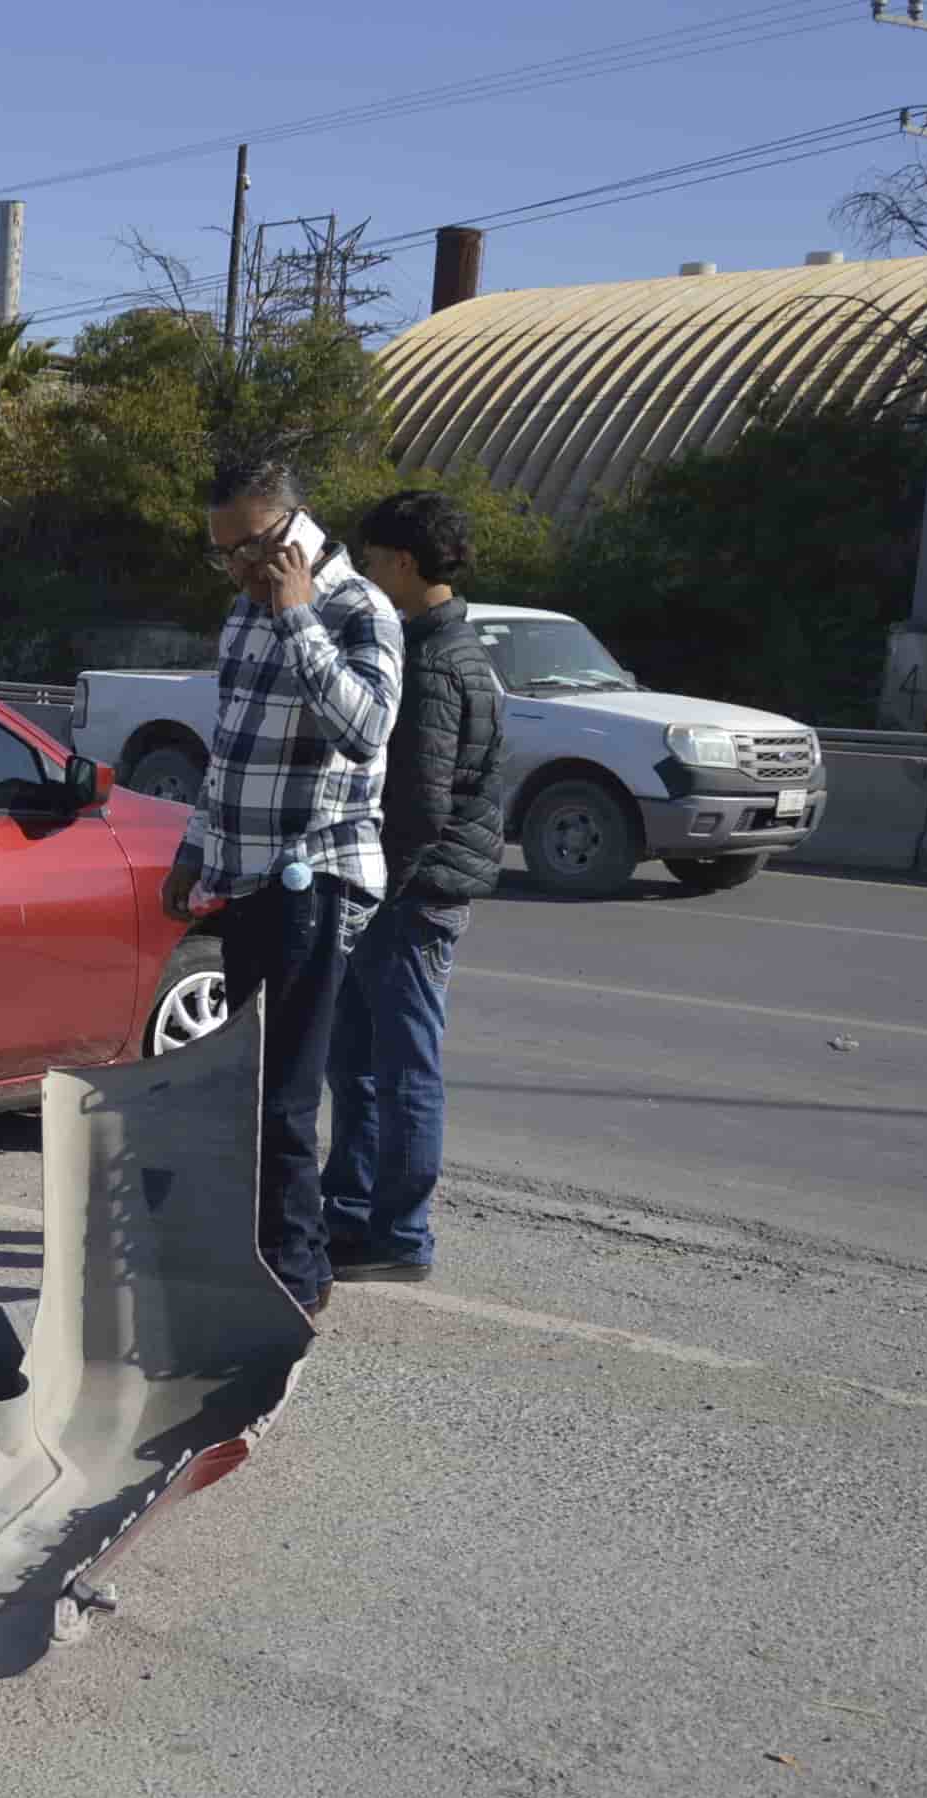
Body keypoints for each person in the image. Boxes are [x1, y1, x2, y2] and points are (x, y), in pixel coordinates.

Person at [160, 460, 403, 1318]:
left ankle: (293, 1278)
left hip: (316, 879)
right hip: (248, 877)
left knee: (286, 1091)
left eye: (250, 549)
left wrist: (299, 616)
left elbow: (367, 729)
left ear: (296, 529)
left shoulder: (356, 610)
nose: (235, 569)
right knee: (247, 1081)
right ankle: (270, 1253)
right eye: (221, 554)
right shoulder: (242, 612)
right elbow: (229, 753)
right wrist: (193, 849)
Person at [326, 492, 506, 1284]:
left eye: (370, 560)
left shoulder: (434, 660)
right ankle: (352, 1212)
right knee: (357, 1062)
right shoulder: (449, 643)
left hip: (412, 896)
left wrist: (374, 894)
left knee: (403, 1072)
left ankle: (400, 1236)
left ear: (402, 562)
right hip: (411, 891)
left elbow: (422, 804)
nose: (365, 573)